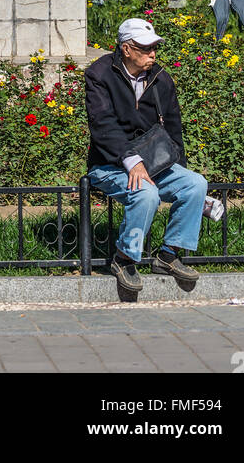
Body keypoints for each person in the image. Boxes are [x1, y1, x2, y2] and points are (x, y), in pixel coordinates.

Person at [85, 17, 207, 293]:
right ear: (127, 49)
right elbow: (103, 125)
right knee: (145, 193)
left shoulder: (161, 78)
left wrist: (181, 173)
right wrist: (133, 162)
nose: (153, 53)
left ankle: (168, 255)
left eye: (155, 47)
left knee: (196, 184)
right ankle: (124, 258)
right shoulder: (99, 74)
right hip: (110, 164)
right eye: (146, 48)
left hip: (154, 162)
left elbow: (174, 131)